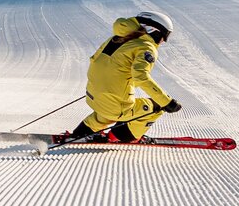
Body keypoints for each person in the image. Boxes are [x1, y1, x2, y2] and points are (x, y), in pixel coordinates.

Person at [67, 10, 181, 144]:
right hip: (114, 104)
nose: (163, 41)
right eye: (164, 36)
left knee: (109, 110)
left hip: (94, 96)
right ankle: (119, 136)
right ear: (154, 30)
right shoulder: (146, 47)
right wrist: (167, 102)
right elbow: (140, 76)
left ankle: (80, 133)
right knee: (157, 106)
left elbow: (97, 62)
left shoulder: (116, 39)